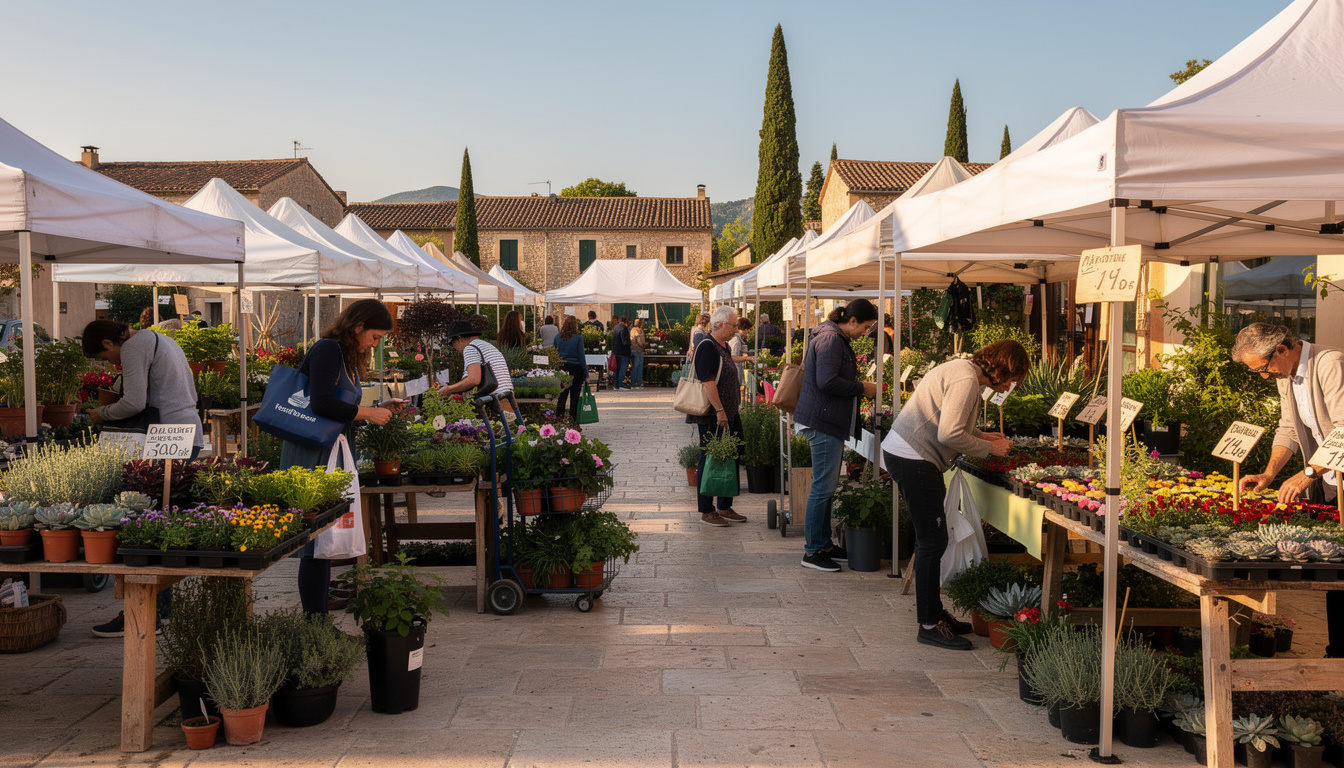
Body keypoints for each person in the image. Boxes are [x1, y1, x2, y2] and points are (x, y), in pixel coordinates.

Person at [882, 340, 1025, 650]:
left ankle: (935, 614)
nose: (1012, 385)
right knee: (932, 541)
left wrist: (983, 435)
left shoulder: (963, 371)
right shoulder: (966, 380)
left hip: (910, 454)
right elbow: (949, 434)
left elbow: (949, 422)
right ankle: (929, 625)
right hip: (914, 458)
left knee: (934, 539)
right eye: (1014, 378)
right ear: (1003, 369)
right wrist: (990, 448)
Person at [81, 318, 207, 637]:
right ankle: (160, 609)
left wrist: (102, 414)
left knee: (147, 525)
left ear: (109, 344)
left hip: (163, 437)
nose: (110, 362)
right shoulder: (161, 340)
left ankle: (143, 612)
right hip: (185, 433)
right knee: (162, 523)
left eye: (104, 357)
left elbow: (135, 403)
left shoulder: (135, 347)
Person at [281, 299, 402, 616]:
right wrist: (367, 412)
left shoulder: (343, 355)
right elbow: (321, 404)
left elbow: (339, 407)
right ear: (358, 326)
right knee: (313, 541)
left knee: (323, 540)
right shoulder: (327, 349)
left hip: (329, 450)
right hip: (313, 453)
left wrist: (378, 411)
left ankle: (319, 625)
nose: (374, 345)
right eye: (374, 337)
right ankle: (314, 626)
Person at [1232, 323, 1344, 657]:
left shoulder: (1329, 364)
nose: (1265, 377)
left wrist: (1308, 473)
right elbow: (1288, 428)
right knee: (1334, 563)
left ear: (1282, 348)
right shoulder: (1288, 376)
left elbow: (1343, 429)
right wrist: (1269, 474)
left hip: (1329, 474)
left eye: (1263, 368)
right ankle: (1337, 650)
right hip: (1327, 481)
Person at [793, 300, 880, 574]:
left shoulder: (830, 335)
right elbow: (827, 381)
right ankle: (812, 550)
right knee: (822, 488)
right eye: (865, 327)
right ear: (852, 321)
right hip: (823, 422)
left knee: (826, 488)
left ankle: (823, 544)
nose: (865, 333)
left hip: (824, 420)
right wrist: (862, 387)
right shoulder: (831, 339)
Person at [688, 306, 748, 527]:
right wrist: (720, 410)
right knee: (709, 458)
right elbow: (707, 381)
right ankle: (706, 509)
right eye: (732, 325)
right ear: (719, 324)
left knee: (729, 456)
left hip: (729, 412)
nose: (735, 329)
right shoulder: (707, 346)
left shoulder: (722, 346)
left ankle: (724, 505)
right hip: (714, 415)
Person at [437, 320, 515, 414]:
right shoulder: (486, 345)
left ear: (459, 339)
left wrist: (449, 389)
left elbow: (474, 379)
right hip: (506, 396)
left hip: (493, 401)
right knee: (512, 427)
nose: (455, 349)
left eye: (453, 344)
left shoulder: (470, 348)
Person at [555, 316, 588, 420]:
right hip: (576, 368)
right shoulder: (578, 338)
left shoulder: (557, 337)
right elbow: (581, 357)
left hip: (562, 368)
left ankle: (559, 419)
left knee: (562, 397)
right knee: (575, 398)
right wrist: (586, 374)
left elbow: (555, 354)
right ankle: (574, 421)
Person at [612, 315, 632, 390]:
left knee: (617, 369)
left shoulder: (616, 327)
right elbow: (625, 342)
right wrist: (629, 345)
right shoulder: (624, 329)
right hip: (623, 352)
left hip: (616, 351)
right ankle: (620, 385)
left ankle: (616, 385)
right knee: (622, 369)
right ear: (627, 321)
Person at [630, 318, 648, 390]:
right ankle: (635, 384)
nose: (643, 324)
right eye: (642, 323)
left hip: (638, 350)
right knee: (636, 367)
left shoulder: (635, 330)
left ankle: (638, 384)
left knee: (638, 367)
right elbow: (639, 340)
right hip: (637, 350)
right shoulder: (637, 330)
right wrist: (644, 345)